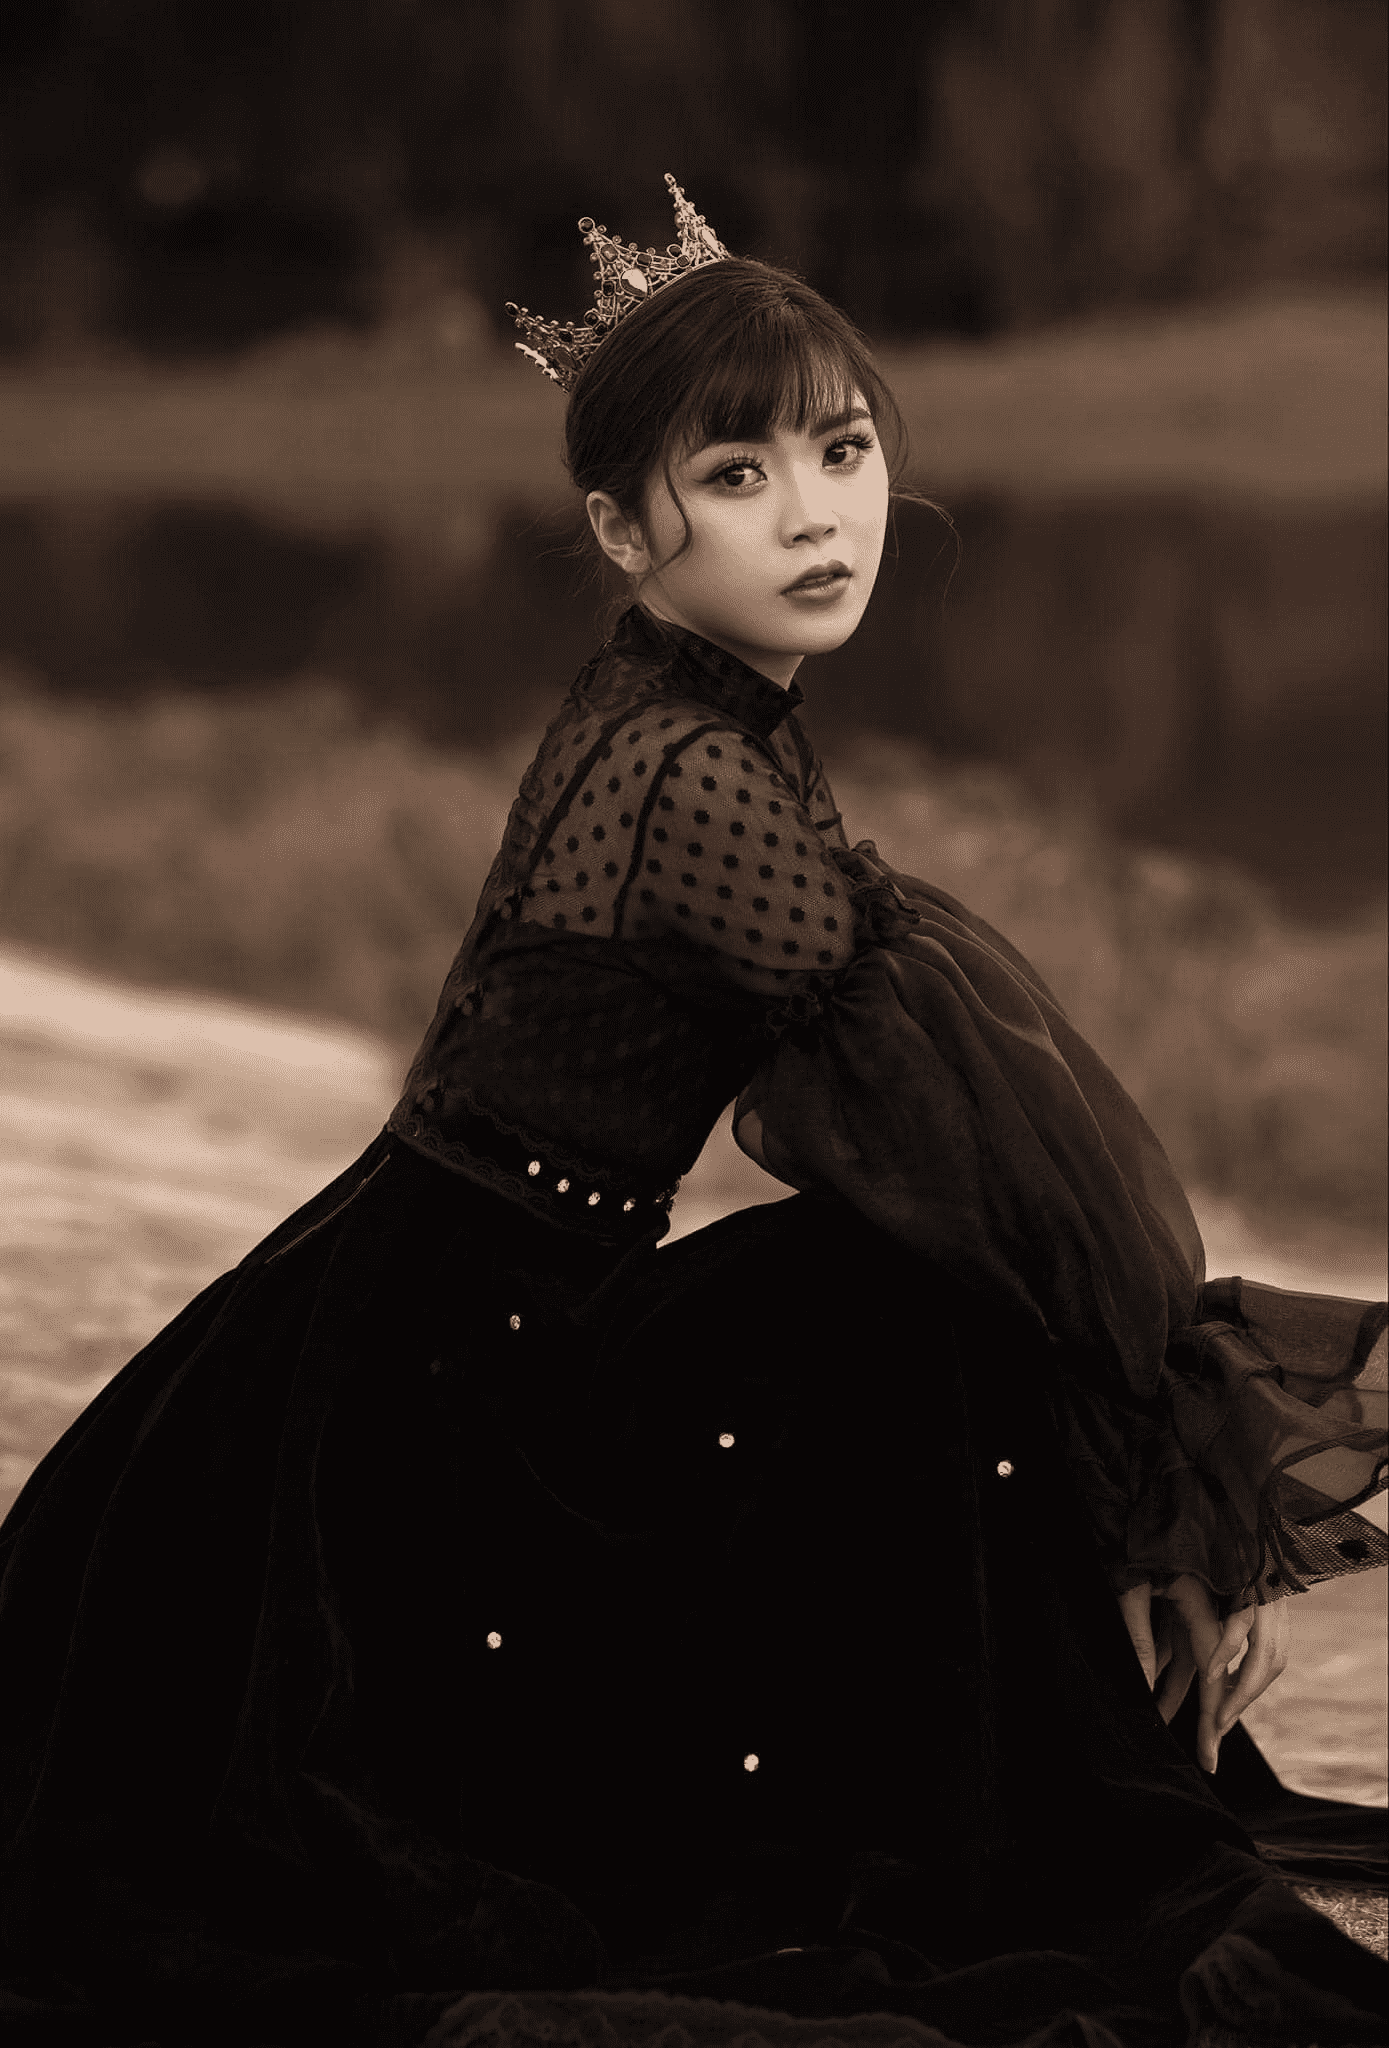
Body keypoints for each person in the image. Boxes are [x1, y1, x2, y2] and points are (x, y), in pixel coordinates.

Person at [0, 178, 1384, 2048]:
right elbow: (992, 1157)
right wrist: (1168, 1504)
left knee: (884, 1295)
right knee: (908, 1313)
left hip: (459, 1312)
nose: (814, 513)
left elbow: (978, 1155)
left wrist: (1162, 1482)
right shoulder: (691, 780)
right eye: (737, 475)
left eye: (843, 449)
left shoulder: (698, 716)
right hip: (429, 1401)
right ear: (618, 529)